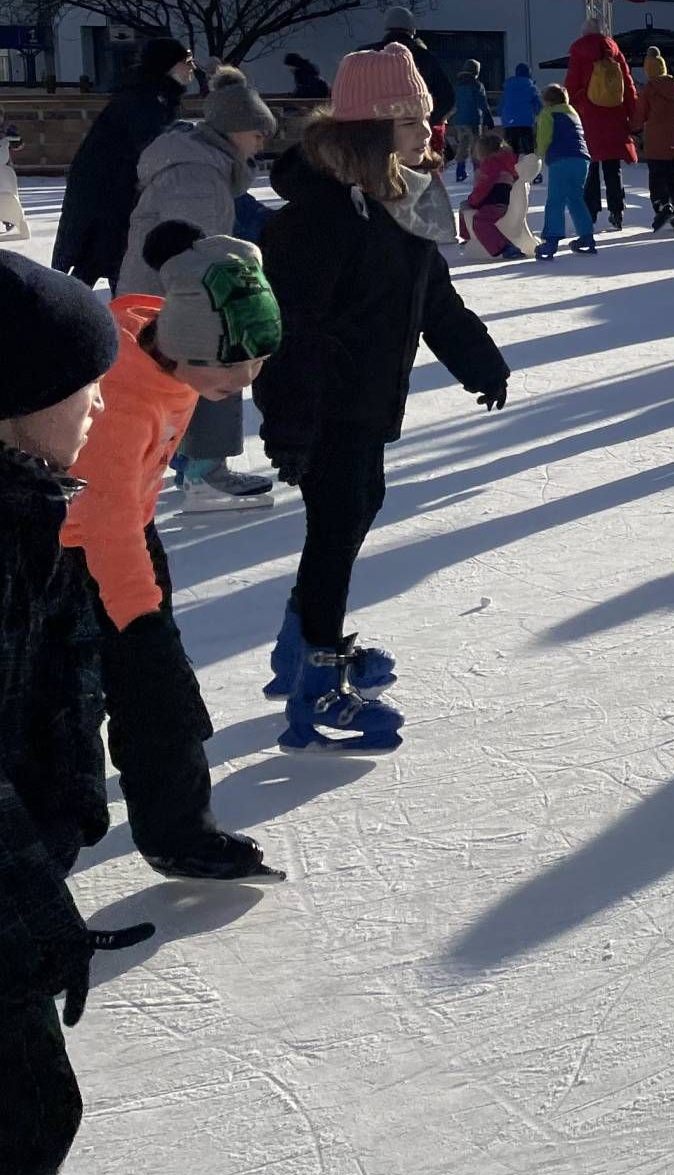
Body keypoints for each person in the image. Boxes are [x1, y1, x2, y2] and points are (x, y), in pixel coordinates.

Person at [255, 45, 509, 749]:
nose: (429, 135)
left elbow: (436, 300)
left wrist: (480, 362)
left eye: (427, 120)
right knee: (336, 532)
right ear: (372, 128)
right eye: (412, 123)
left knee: (355, 513)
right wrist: (292, 428)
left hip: (369, 401)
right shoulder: (317, 218)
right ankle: (316, 675)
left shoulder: (406, 200)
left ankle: (304, 638)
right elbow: (292, 332)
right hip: (326, 405)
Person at [0, 251, 156, 1175]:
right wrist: (25, 904)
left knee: (27, 1120)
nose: (99, 405)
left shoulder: (29, 509)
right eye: (80, 387)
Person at [63, 222, 285, 881]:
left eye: (255, 364)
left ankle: (180, 833)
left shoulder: (179, 348)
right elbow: (100, 524)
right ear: (188, 348)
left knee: (161, 701)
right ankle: (37, 862)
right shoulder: (116, 400)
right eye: (230, 367)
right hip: (60, 555)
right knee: (72, 709)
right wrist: (142, 622)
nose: (243, 381)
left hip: (128, 530)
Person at [120, 67, 278, 510]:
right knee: (214, 363)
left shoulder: (202, 165)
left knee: (185, 379)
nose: (261, 144)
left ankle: (192, 467)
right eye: (257, 134)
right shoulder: (197, 177)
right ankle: (204, 472)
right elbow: (200, 254)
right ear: (235, 130)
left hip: (160, 291)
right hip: (173, 293)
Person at [52, 36, 192, 286]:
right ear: (168, 64)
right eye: (187, 60)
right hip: (112, 199)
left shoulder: (157, 95)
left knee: (99, 266)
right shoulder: (143, 99)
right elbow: (153, 148)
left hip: (117, 199)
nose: (193, 67)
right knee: (115, 266)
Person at [565, 22, 639, 230]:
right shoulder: (615, 52)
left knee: (590, 167)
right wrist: (632, 115)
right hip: (614, 117)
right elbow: (629, 85)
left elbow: (571, 84)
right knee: (613, 168)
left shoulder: (579, 52)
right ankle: (617, 210)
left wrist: (572, 109)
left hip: (587, 116)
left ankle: (591, 210)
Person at [631, 49, 674, 232]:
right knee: (672, 172)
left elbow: (640, 114)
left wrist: (633, 129)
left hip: (655, 136)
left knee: (656, 174)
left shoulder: (649, 90)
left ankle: (662, 204)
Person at [533, 85, 597, 259]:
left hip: (561, 159)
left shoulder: (547, 113)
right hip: (582, 159)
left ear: (547, 101)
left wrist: (538, 155)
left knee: (555, 200)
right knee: (575, 198)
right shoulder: (572, 112)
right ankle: (586, 236)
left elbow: (544, 138)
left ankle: (551, 241)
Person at [370, 5, 454, 128]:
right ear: (412, 30)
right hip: (412, 130)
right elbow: (447, 97)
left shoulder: (366, 54)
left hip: (374, 129)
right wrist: (425, 121)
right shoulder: (424, 57)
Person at [463, 133, 527, 261]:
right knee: (466, 208)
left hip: (495, 203)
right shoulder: (510, 161)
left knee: (480, 221)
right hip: (508, 202)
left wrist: (473, 201)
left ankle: (504, 247)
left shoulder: (490, 164)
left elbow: (483, 187)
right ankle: (468, 237)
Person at [447, 59, 490, 181]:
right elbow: (482, 102)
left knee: (463, 144)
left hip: (459, 120)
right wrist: (488, 115)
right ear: (476, 71)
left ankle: (460, 171)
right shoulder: (476, 85)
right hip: (473, 120)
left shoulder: (457, 84)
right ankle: (478, 171)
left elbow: (453, 102)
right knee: (476, 146)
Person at [499, 61, 541, 157]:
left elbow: (501, 104)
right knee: (529, 150)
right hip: (526, 122)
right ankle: (531, 170)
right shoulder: (531, 87)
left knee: (511, 150)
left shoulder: (508, 87)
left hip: (509, 123)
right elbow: (538, 105)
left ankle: (511, 169)